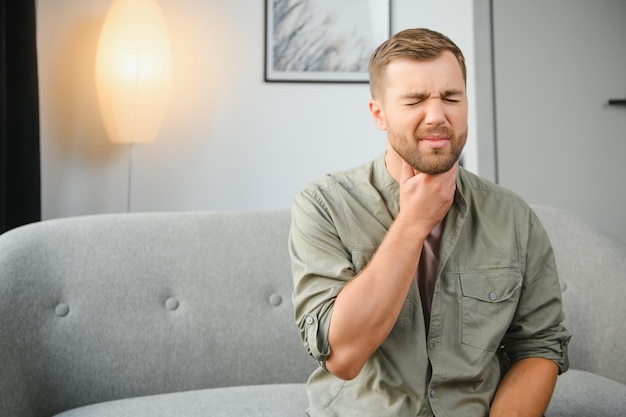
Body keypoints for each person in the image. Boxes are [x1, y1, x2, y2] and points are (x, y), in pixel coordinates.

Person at [289, 28, 571, 417]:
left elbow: (540, 346)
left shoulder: (514, 217)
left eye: (451, 97)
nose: (437, 116)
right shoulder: (323, 206)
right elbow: (343, 356)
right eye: (415, 100)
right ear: (379, 114)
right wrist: (413, 222)